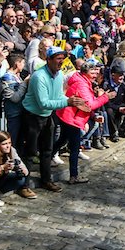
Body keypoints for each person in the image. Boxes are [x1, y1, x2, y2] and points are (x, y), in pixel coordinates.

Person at [20, 46, 89, 192]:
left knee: (47, 150)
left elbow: (58, 96)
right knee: (30, 152)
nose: (61, 62)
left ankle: (46, 180)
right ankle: (23, 185)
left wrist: (72, 100)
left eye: (62, 59)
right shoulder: (39, 77)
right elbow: (43, 102)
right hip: (32, 115)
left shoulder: (58, 75)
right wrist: (68, 102)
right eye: (58, 59)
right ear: (48, 60)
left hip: (47, 115)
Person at [56, 58, 115, 184]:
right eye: (93, 72)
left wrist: (92, 116)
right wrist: (106, 97)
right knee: (75, 147)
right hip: (72, 118)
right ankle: (73, 176)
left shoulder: (83, 81)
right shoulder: (82, 84)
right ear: (85, 72)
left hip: (69, 116)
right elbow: (91, 104)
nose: (95, 75)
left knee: (61, 140)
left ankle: (48, 158)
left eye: (96, 72)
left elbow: (86, 105)